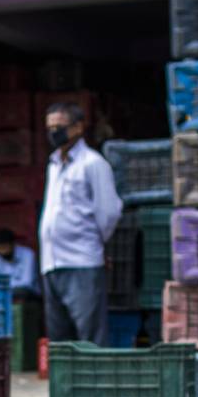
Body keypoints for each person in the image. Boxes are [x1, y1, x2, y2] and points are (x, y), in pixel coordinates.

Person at [37, 102, 121, 346]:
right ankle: (66, 385)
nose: (54, 133)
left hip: (81, 261)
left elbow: (109, 212)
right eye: (49, 128)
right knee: (60, 339)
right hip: (52, 263)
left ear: (78, 128)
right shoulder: (53, 165)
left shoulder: (93, 164)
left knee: (90, 336)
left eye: (59, 127)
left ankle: (96, 384)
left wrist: (93, 242)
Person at [0, 228, 39, 297]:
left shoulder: (28, 254)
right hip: (3, 295)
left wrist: (2, 285)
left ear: (13, 244)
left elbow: (27, 283)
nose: (3, 251)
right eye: (0, 248)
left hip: (28, 296)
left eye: (5, 247)